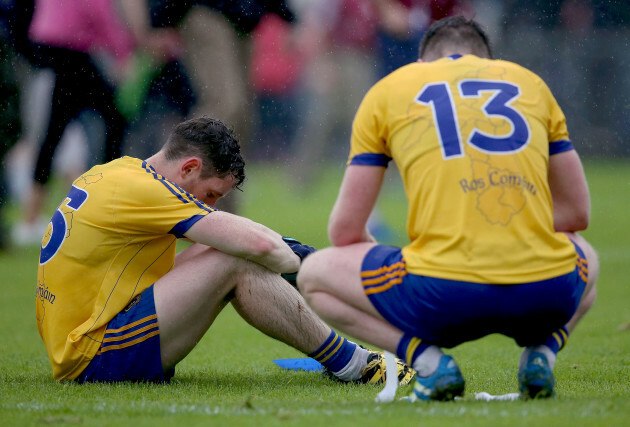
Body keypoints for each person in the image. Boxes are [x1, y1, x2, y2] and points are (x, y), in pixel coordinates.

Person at [298, 16, 598, 401]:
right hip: (542, 295)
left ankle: (429, 364)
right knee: (587, 255)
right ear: (490, 62)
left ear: (424, 63)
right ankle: (541, 355)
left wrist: (390, 258)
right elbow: (577, 214)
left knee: (315, 274)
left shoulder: (392, 88)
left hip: (440, 297)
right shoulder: (529, 83)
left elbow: (344, 232)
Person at [35, 116, 414, 385]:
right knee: (235, 257)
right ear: (189, 168)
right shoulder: (147, 191)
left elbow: (243, 237)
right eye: (212, 194)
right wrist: (322, 271)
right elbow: (260, 245)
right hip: (92, 355)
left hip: (83, 340)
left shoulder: (121, 171)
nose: (212, 206)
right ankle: (353, 365)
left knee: (224, 247)